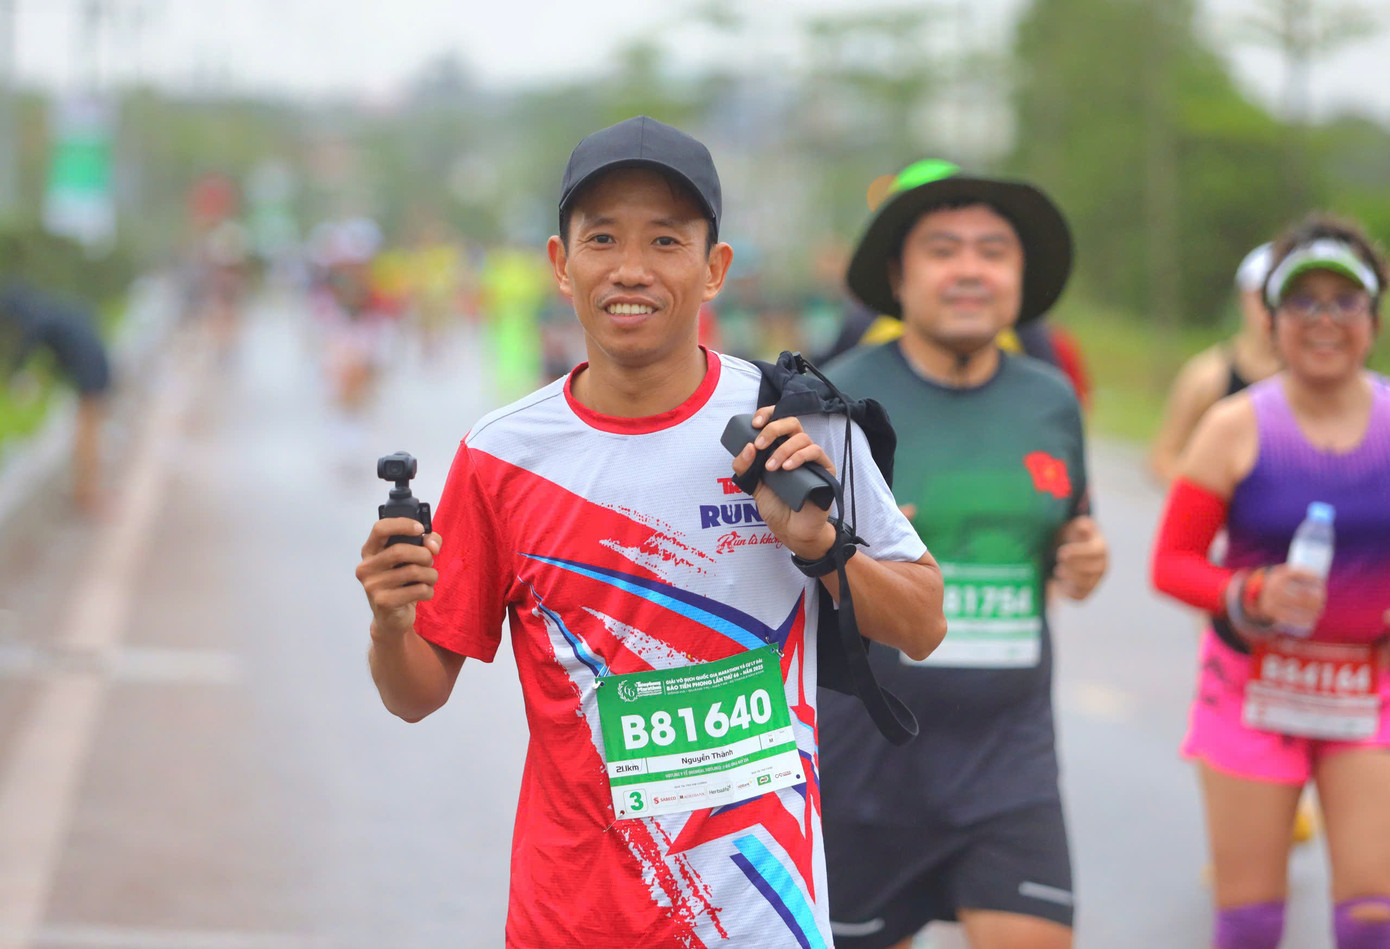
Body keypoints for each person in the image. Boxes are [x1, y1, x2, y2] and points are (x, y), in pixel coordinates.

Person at [354, 116, 947, 948]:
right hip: (571, 923)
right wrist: (390, 621)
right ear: (562, 264)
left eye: (666, 240)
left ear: (714, 268)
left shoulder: (796, 424)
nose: (630, 268)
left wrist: (821, 548)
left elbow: (924, 621)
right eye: (602, 238)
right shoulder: (502, 456)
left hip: (764, 922)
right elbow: (415, 694)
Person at [817, 159, 1109, 949]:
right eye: (944, 250)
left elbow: (1069, 537)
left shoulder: (1052, 400)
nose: (971, 269)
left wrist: (1084, 560)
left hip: (1010, 767)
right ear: (898, 276)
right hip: (865, 769)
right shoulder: (835, 403)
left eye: (993, 250)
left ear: (1020, 277)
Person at [1150, 213, 1390, 949]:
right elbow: (1172, 563)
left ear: (1373, 319)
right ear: (1271, 319)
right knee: (1251, 923)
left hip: (1368, 693)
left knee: (1373, 920)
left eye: (1344, 301)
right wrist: (1249, 593)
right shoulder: (1233, 426)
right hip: (1253, 692)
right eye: (1303, 302)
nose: (1324, 320)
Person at [1150, 243, 1282, 484]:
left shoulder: (1310, 381)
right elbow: (1163, 458)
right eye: (1263, 296)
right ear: (1243, 297)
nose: (1270, 309)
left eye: (1280, 298)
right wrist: (1214, 495)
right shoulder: (1207, 375)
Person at [0, 282, 113, 512]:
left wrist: (14, 374)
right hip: (98, 364)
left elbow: (28, 346)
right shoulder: (54, 310)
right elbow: (60, 355)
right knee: (89, 430)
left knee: (87, 433)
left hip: (91, 373)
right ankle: (84, 490)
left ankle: (88, 494)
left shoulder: (40, 319)